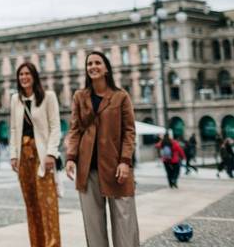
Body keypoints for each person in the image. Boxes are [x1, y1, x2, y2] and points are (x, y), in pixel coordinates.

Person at [66, 51, 138, 247]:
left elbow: (129, 131)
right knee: (94, 227)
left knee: (125, 224)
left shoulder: (120, 96)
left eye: (98, 63)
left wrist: (125, 161)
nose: (93, 66)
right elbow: (74, 129)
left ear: (106, 68)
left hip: (116, 168)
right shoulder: (80, 97)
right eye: (89, 64)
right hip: (88, 169)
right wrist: (71, 157)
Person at [9, 61, 62, 247]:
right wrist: (13, 155)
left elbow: (55, 127)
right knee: (31, 205)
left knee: (48, 205)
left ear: (34, 76)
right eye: (21, 74)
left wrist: (51, 154)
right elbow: (14, 129)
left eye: (27, 74)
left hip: (42, 155)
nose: (24, 77)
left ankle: (53, 244)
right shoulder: (16, 99)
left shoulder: (48, 97)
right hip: (24, 156)